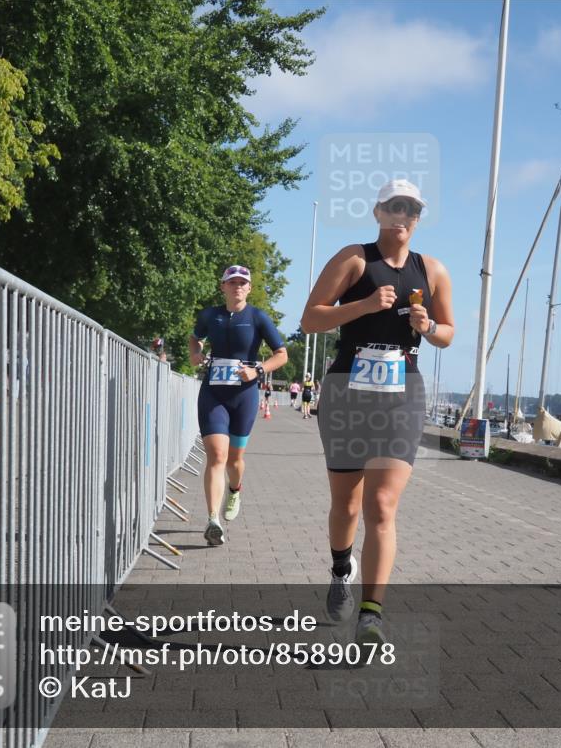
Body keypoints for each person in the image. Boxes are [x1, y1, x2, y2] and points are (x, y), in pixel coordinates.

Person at [301, 179, 454, 646]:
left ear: (418, 218)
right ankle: (340, 569)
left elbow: (448, 333)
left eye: (411, 209)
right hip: (347, 391)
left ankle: (371, 614)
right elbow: (311, 318)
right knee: (346, 504)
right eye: (394, 207)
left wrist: (429, 326)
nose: (402, 216)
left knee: (382, 504)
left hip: (402, 394)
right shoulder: (354, 259)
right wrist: (364, 305)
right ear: (379, 212)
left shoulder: (432, 270)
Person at [189, 265, 288, 545]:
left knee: (234, 460)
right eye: (232, 282)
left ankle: (235, 490)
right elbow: (195, 338)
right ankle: (213, 520)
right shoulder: (210, 315)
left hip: (244, 396)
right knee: (216, 456)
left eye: (243, 283)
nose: (238, 287)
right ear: (223, 287)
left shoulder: (258, 317)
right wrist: (195, 353)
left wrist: (258, 370)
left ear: (250, 288)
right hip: (214, 393)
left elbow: (282, 354)